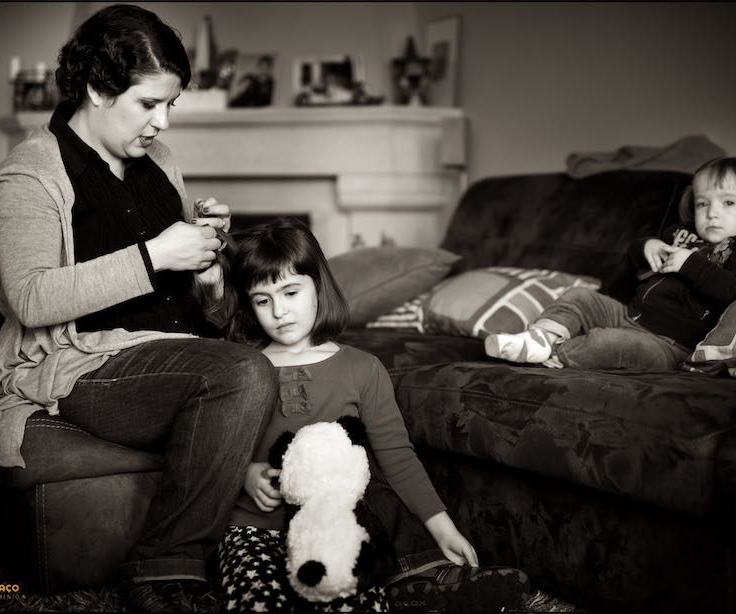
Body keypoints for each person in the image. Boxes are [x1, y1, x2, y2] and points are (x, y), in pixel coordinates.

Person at [0, 5, 278, 612]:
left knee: (309, 356)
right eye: (148, 104)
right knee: (244, 373)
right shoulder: (29, 175)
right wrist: (157, 253)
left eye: (171, 105)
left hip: (176, 353)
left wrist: (209, 271)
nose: (162, 122)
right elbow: (30, 297)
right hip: (84, 362)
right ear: (96, 89)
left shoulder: (159, 164)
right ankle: (165, 568)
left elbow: (197, 310)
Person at [216, 217, 518, 612]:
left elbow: (398, 457)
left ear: (318, 288)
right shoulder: (241, 367)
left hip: (340, 529)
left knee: (357, 602)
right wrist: (245, 473)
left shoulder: (362, 368)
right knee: (257, 603)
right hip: (255, 527)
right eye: (263, 300)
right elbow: (213, 447)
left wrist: (442, 528)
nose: (279, 311)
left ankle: (421, 578)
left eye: (291, 292)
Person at [485, 157, 736, 369]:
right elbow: (634, 262)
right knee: (577, 296)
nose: (712, 213)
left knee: (606, 344)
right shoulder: (680, 234)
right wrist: (645, 246)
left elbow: (732, 289)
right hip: (628, 315)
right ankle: (542, 336)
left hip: (668, 345)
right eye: (703, 203)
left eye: (728, 203)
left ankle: (553, 354)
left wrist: (691, 264)